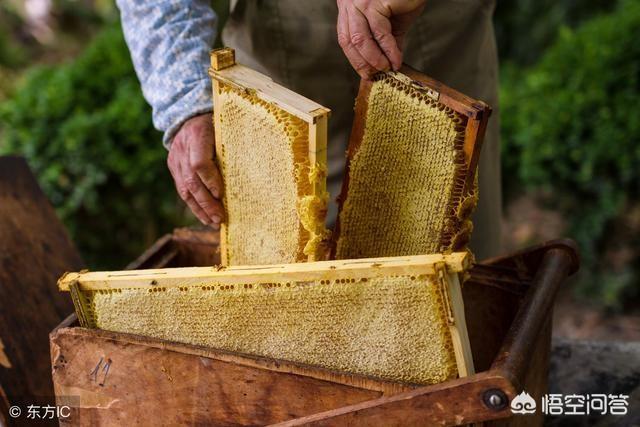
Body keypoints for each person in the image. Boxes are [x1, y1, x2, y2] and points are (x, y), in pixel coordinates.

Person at [116, 0, 502, 260]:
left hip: (430, 28)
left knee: (456, 267)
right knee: (281, 300)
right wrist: (185, 102)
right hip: (277, 43)